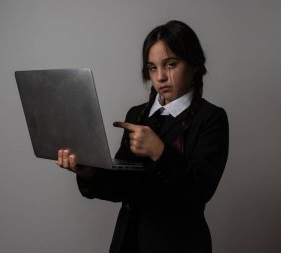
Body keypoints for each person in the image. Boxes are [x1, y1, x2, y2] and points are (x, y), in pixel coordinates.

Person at [55, 20, 229, 253]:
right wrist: (91, 173)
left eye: (170, 64)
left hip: (179, 244)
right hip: (129, 242)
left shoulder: (211, 118)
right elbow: (123, 188)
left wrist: (159, 151)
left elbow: (199, 193)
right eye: (153, 68)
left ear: (195, 65)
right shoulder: (137, 115)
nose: (161, 77)